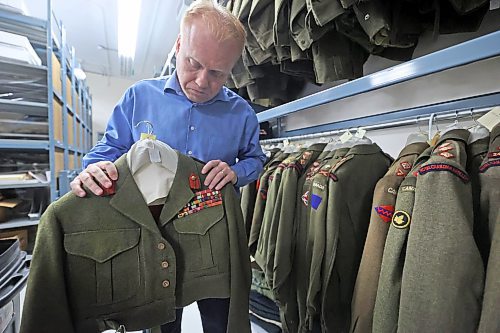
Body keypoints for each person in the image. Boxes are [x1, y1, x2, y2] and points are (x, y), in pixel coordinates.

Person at [70, 1, 266, 332]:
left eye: (217, 73)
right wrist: (97, 167)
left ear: (232, 69)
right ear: (178, 47)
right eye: (193, 63)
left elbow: (256, 159)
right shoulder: (138, 98)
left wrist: (237, 171)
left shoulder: (242, 113)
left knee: (222, 321)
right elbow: (111, 147)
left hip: (212, 238)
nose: (203, 81)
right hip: (153, 234)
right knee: (160, 323)